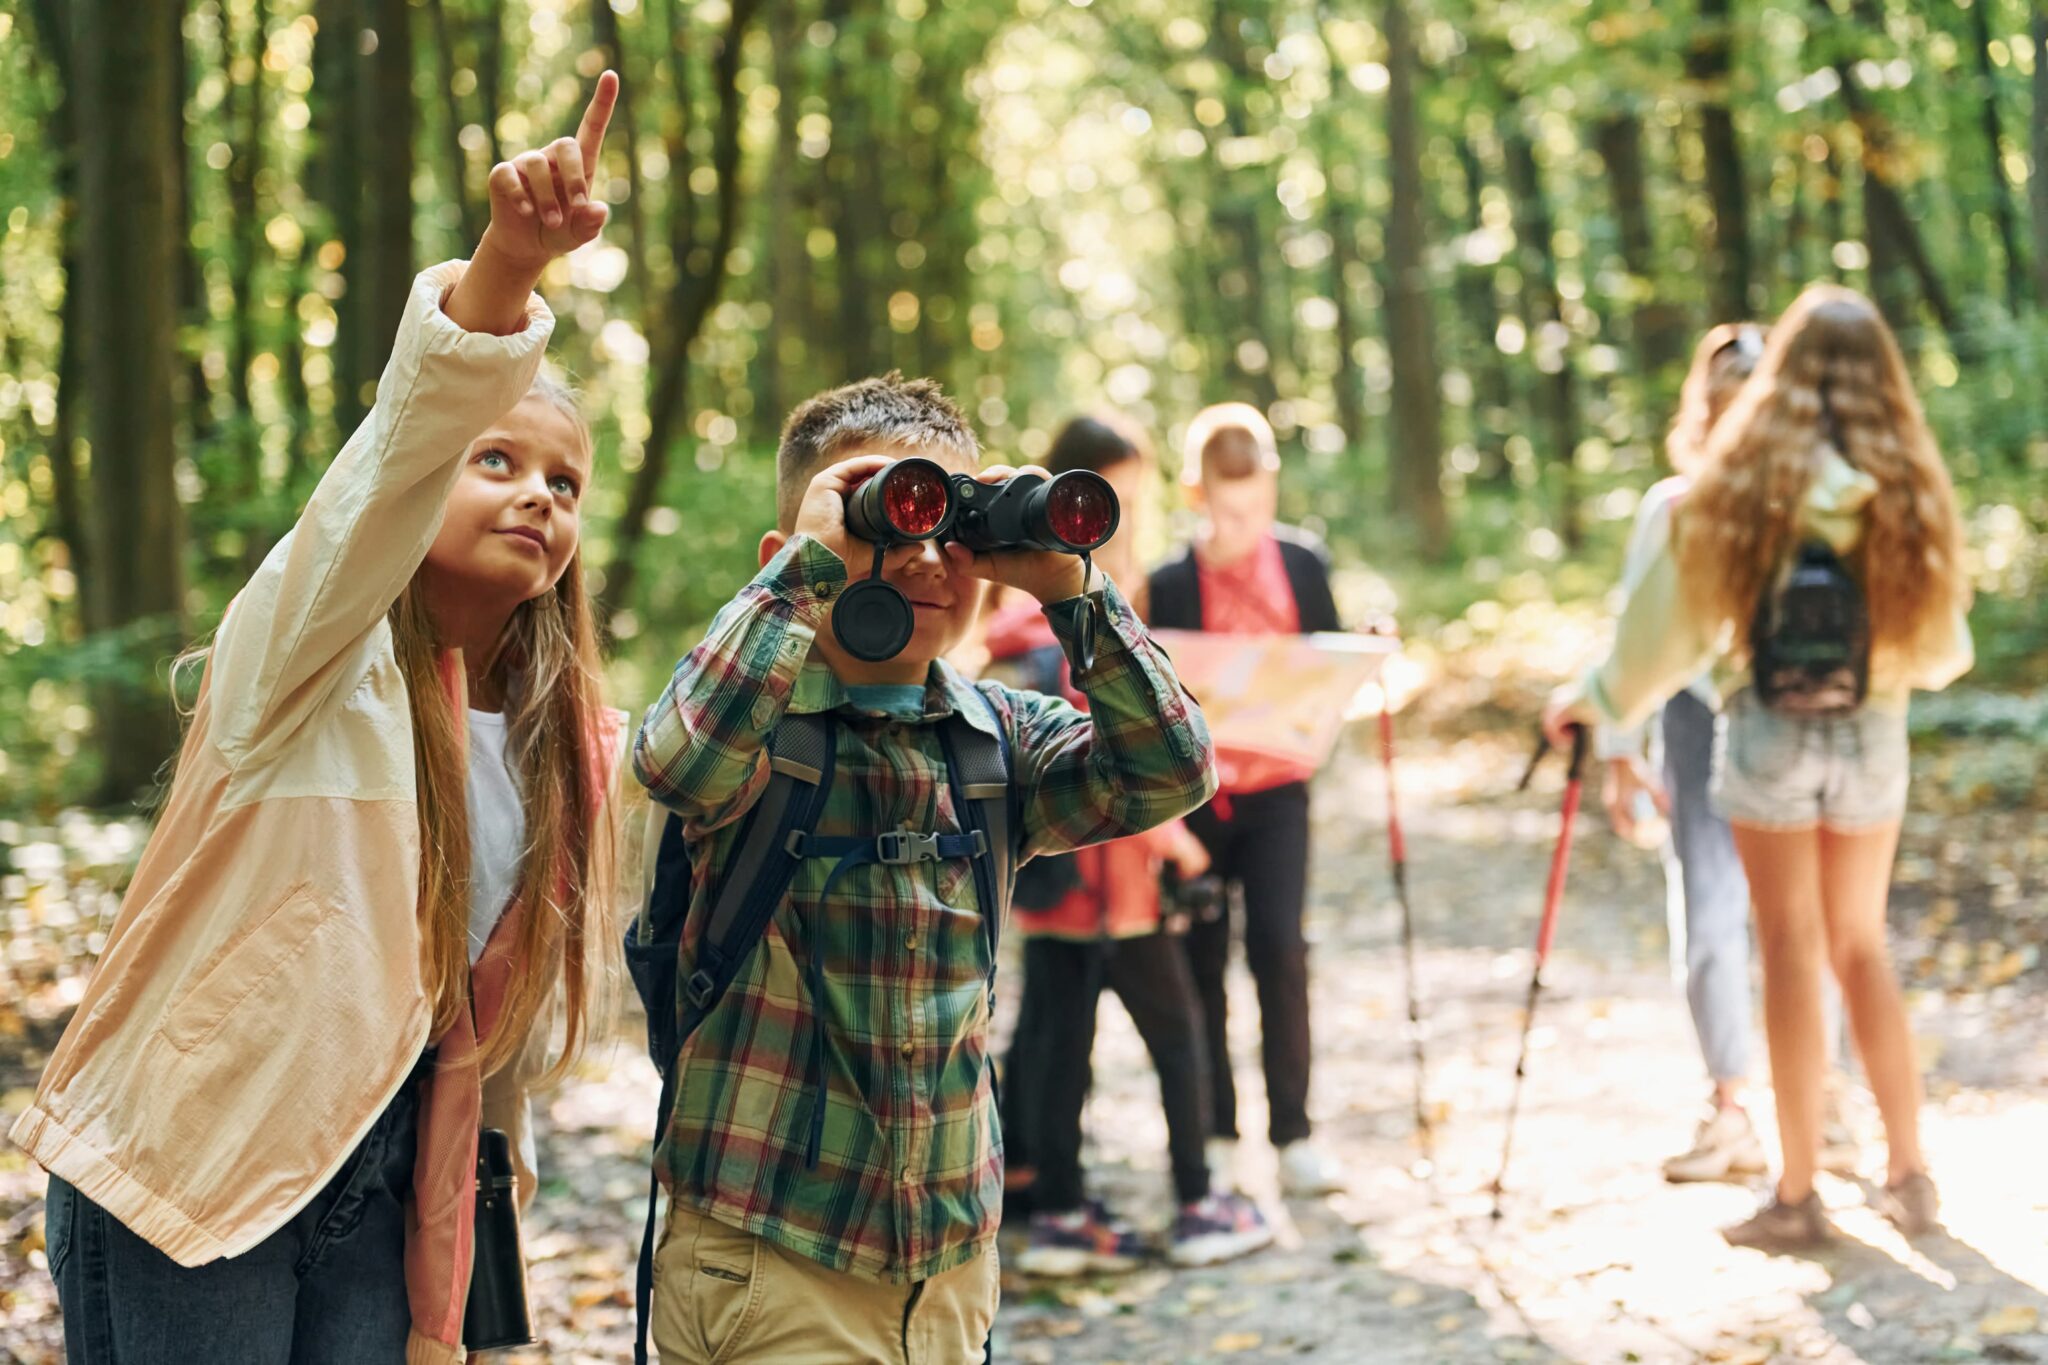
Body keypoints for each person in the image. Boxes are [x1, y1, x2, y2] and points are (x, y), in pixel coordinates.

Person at [15, 76, 628, 1362]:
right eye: (498, 461)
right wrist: (508, 271)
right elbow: (391, 462)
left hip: (389, 1183)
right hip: (198, 1170)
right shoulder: (308, 653)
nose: (536, 500)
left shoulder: (561, 746)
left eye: (563, 483)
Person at [633, 375, 1217, 1362]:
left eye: (950, 522)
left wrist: (1073, 591)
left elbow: (1171, 767)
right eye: (884, 517)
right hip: (773, 1255)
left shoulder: (998, 741)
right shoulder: (755, 730)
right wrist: (806, 570)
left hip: (948, 1268)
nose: (921, 553)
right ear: (794, 555)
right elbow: (677, 759)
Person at [1546, 285, 1973, 1248]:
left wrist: (1598, 701)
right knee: (1861, 943)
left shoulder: (1739, 488)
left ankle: (1796, 1193)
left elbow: (1662, 639)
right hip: (1871, 732)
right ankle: (1909, 1176)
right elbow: (1945, 648)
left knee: (1785, 945)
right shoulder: (1904, 487)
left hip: (1765, 729)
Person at [990, 414, 1273, 1274]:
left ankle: (1061, 1211)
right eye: (1118, 501)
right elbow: (1108, 736)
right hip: (1112, 882)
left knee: (1057, 1044)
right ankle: (1195, 1201)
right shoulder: (1064, 612)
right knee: (1175, 1035)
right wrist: (1175, 834)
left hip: (1059, 893)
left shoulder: (1043, 605)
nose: (1131, 522)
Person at [1147, 402, 1348, 1199]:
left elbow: (1330, 662)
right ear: (1196, 494)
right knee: (1203, 964)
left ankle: (1293, 1132)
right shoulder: (1168, 583)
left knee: (1281, 950)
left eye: (1257, 504)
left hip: (1280, 792)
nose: (1244, 523)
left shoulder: (1302, 562)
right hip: (1198, 800)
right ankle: (1219, 1128)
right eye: (1228, 510)